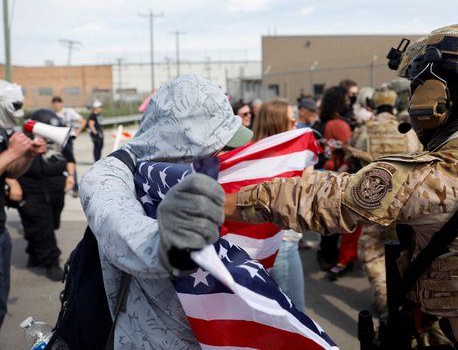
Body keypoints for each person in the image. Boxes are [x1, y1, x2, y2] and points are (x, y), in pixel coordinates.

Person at [226, 21, 458, 349]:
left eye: (418, 86)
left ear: (435, 97)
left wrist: (220, 201)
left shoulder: (439, 175)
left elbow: (321, 199)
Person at [80, 74, 252, 348]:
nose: (225, 154)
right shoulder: (108, 175)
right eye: (220, 146)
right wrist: (171, 240)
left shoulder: (196, 167)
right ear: (188, 138)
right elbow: (118, 226)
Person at [347, 86, 421, 307]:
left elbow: (353, 159)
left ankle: (385, 299)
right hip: (405, 201)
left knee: (370, 251)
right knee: (408, 250)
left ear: (373, 106)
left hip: (373, 202)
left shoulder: (363, 131)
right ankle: (410, 300)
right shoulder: (407, 130)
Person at [250, 98, 306, 310]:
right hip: (281, 243)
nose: (296, 122)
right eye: (291, 118)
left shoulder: (253, 155)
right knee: (295, 313)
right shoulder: (280, 161)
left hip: (266, 244)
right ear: (277, 123)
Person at [0, 80, 47, 328]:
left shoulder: (1, 132)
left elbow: (10, 171)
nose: (18, 112)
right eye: (15, 106)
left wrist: (27, 154)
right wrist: (11, 152)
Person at [17, 109, 76, 281]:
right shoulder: (23, 143)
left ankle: (34, 253)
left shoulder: (59, 141)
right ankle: (52, 262)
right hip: (32, 190)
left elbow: (70, 159)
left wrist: (70, 177)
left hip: (56, 190)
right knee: (42, 225)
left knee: (51, 224)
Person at [313, 86, 355, 273]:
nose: (349, 102)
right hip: (337, 174)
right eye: (346, 99)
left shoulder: (321, 123)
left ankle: (325, 255)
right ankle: (331, 258)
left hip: (322, 174)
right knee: (335, 220)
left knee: (326, 219)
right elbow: (350, 152)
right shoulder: (339, 125)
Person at [51, 95, 85, 196]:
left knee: (70, 162)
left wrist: (76, 132)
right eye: (55, 102)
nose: (57, 104)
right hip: (55, 141)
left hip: (67, 140)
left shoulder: (68, 112)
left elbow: (83, 121)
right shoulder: (51, 114)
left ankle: (75, 188)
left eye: (58, 102)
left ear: (61, 103)